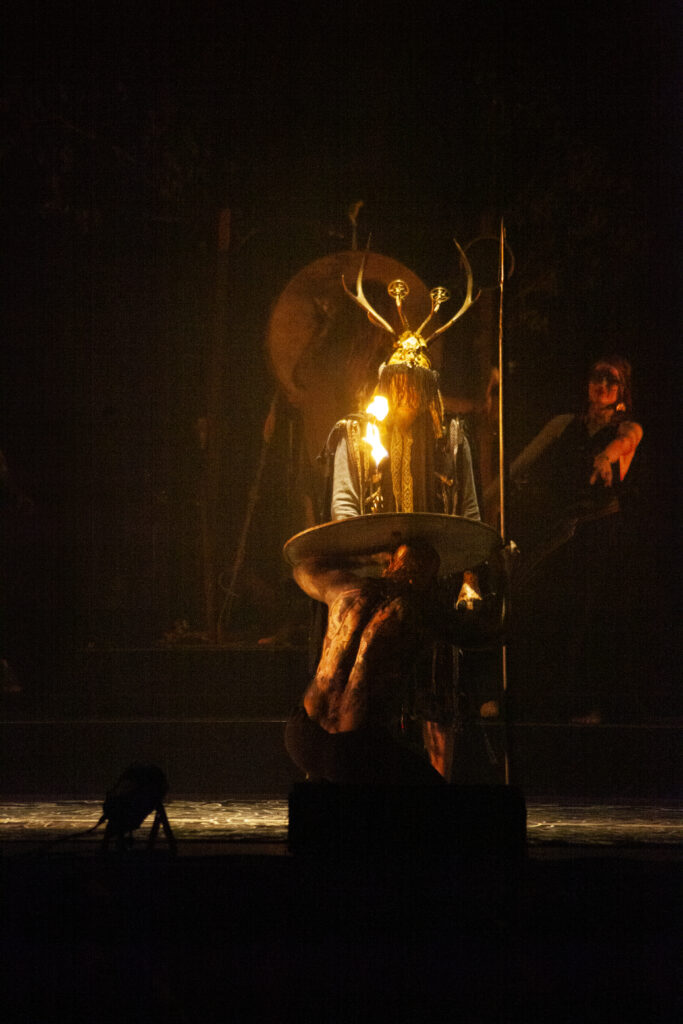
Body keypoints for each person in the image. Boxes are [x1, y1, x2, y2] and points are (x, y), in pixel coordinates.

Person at [285, 266, 506, 782]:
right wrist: (370, 561)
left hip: (434, 580)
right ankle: (334, 772)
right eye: (398, 384)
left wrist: (469, 580)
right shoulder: (355, 435)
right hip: (367, 575)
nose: (407, 395)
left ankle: (434, 788)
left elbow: (469, 516)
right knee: (351, 677)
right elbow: (343, 514)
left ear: (431, 390)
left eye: (417, 386)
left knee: (438, 692)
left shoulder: (452, 439)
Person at [491, 355, 644, 723]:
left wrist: (605, 456)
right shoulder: (563, 424)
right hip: (560, 530)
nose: (603, 385)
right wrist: (487, 496)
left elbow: (625, 443)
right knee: (535, 607)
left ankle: (577, 707)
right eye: (598, 377)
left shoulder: (628, 428)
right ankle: (524, 700)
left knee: (581, 619)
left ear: (622, 390)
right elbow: (519, 464)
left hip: (599, 534)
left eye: (611, 380)